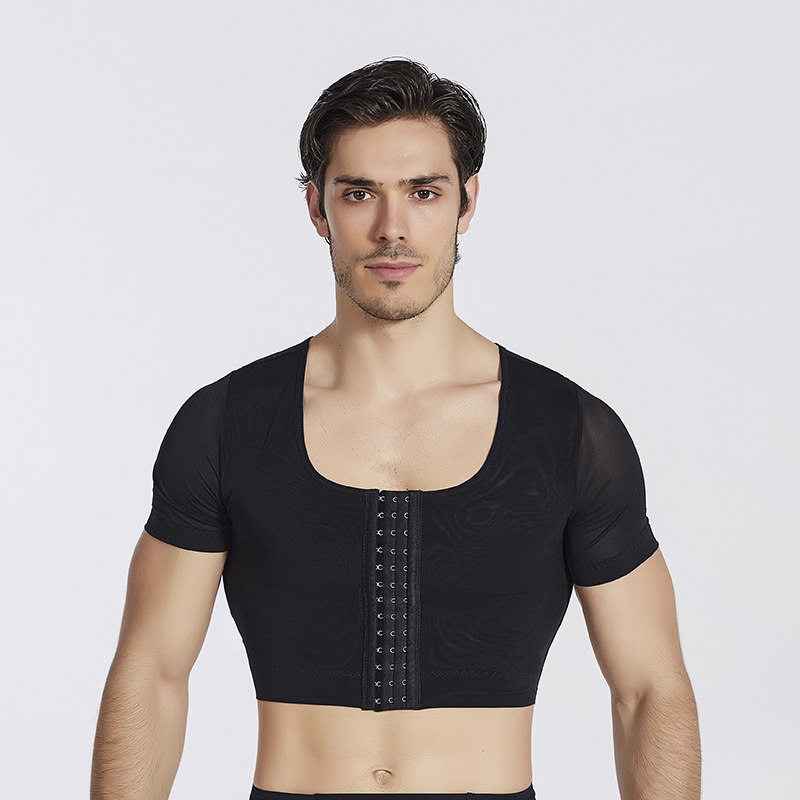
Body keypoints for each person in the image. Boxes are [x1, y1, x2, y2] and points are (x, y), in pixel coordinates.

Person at [90, 58, 701, 800]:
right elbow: (152, 674)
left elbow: (649, 690)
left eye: (423, 192)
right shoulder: (229, 424)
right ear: (317, 209)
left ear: (466, 202)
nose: (392, 229)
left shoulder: (568, 432)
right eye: (359, 193)